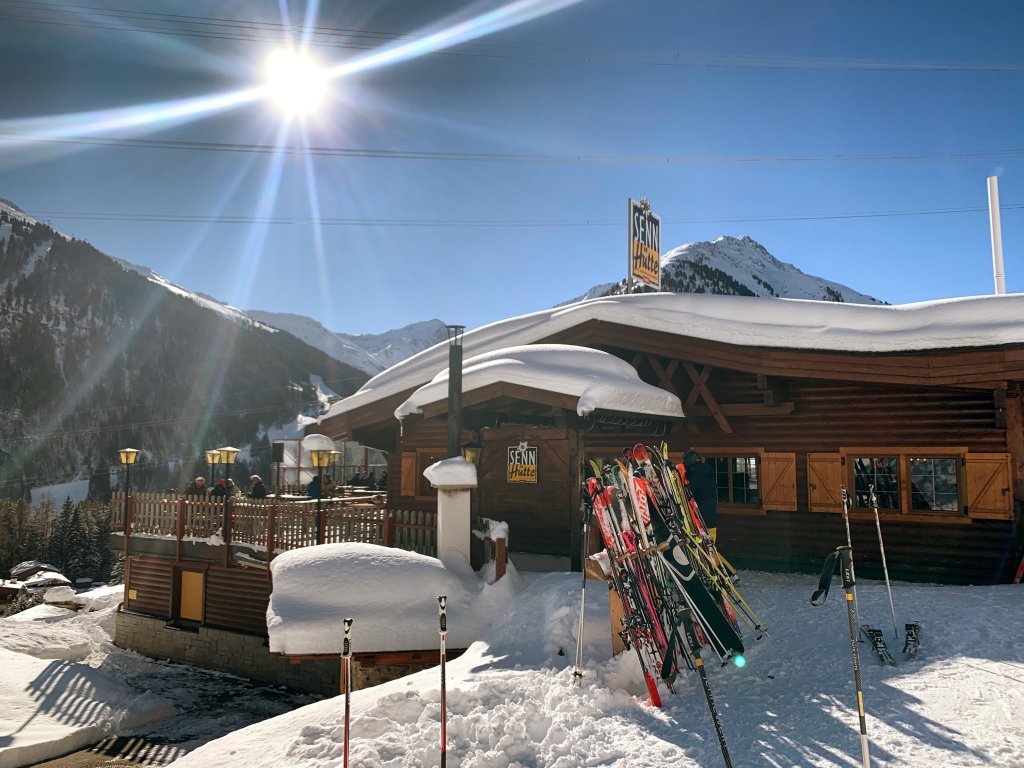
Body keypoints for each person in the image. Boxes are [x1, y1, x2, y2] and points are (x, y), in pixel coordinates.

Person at [682, 450, 718, 540]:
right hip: (710, 521)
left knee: (706, 549)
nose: (683, 463)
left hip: (700, 522)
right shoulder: (705, 472)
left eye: (684, 460)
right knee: (710, 550)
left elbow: (689, 491)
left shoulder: (697, 474)